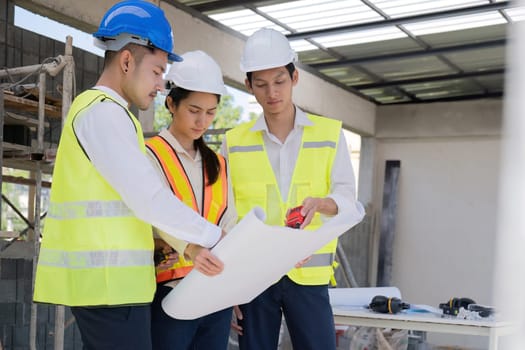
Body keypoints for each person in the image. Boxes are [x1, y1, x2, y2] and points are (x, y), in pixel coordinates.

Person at [33, 2, 224, 350]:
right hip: (109, 289)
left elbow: (137, 201)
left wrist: (192, 246)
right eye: (156, 71)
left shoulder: (113, 116)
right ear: (125, 61)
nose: (160, 84)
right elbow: (148, 197)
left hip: (116, 288)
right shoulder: (103, 114)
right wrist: (214, 238)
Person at [221, 28, 365, 350]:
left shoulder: (329, 134)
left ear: (295, 77)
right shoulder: (233, 143)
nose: (271, 92)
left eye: (279, 81)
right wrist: (230, 285)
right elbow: (225, 215)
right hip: (255, 275)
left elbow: (347, 198)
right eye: (261, 84)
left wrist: (324, 203)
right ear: (248, 86)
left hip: (308, 277)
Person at [145, 50, 237, 350]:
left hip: (215, 296)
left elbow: (229, 224)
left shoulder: (219, 164)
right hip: (169, 293)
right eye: (194, 110)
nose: (203, 121)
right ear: (172, 103)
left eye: (210, 112)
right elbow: (153, 216)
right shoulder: (149, 154)